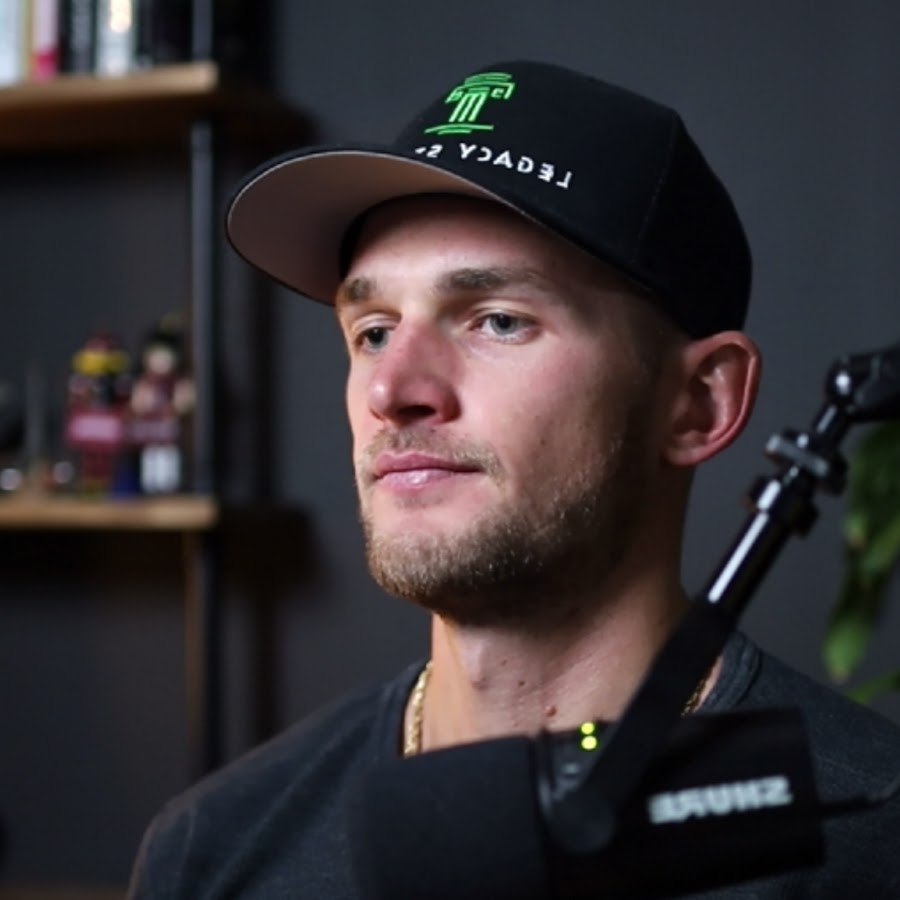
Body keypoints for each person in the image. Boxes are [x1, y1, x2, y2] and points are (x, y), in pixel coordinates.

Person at [127, 59, 900, 898]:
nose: (392, 392)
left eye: (497, 321)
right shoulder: (215, 848)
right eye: (374, 331)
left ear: (698, 403)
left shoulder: (872, 839)